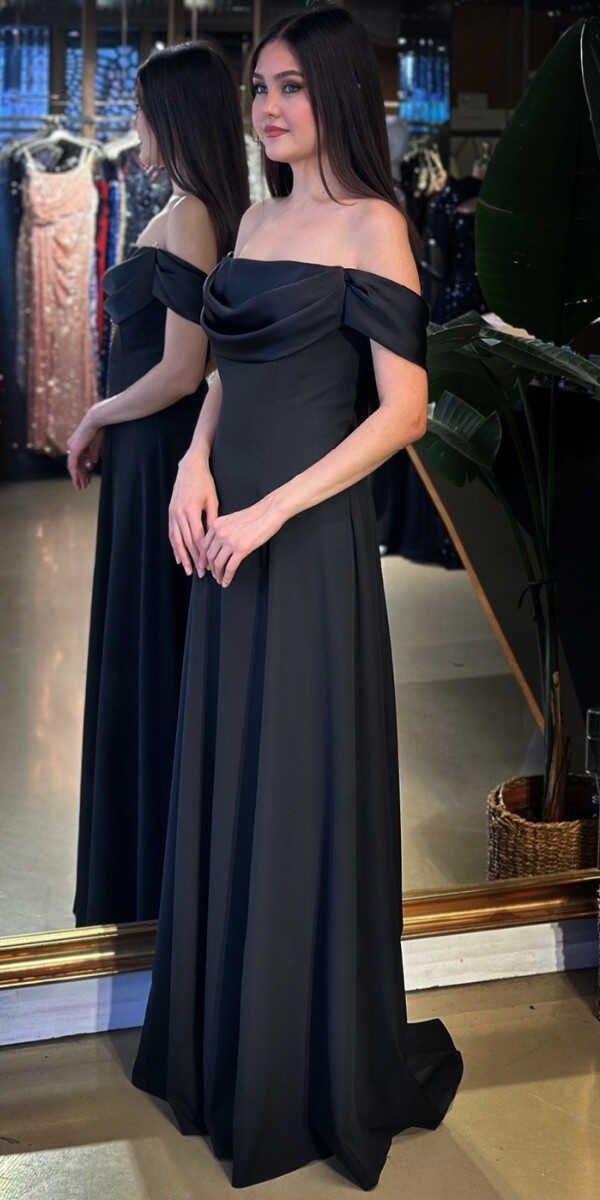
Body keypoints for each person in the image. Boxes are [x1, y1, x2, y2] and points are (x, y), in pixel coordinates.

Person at [132, 7, 463, 1189]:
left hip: (305, 547)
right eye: (259, 89)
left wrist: (271, 511)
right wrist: (195, 462)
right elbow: (229, 366)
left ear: (337, 97)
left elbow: (404, 412)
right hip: (226, 529)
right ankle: (228, 1041)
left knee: (297, 778)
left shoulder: (376, 224)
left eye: (291, 88)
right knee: (234, 769)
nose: (269, 109)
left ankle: (299, 1062)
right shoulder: (258, 217)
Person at [67, 42, 249, 926]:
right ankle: (148, 878)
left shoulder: (192, 215)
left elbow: (183, 370)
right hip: (146, 454)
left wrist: (95, 415)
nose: (132, 124)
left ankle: (152, 881)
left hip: (158, 452)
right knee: (146, 642)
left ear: (171, 116)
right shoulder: (187, 207)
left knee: (152, 646)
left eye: (140, 110)